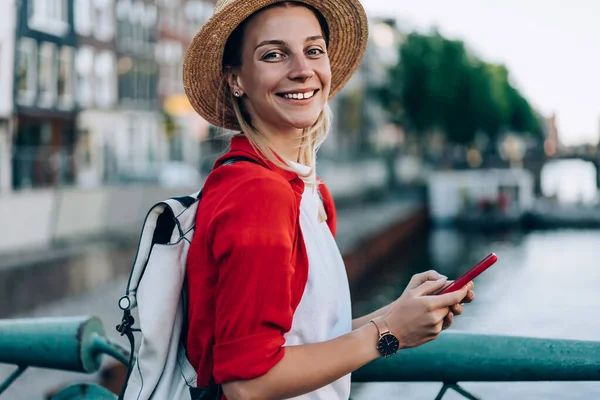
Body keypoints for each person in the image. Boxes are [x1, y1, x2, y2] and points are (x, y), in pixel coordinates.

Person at [182, 1, 475, 399]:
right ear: (236, 80)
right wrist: (388, 333)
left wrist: (399, 313)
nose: (302, 69)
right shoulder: (258, 193)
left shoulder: (308, 193)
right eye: (273, 54)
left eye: (314, 50)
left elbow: (306, 340)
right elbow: (247, 384)